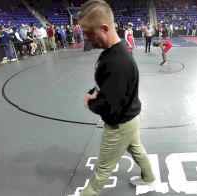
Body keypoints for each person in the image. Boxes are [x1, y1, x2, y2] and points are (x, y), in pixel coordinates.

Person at [78, 1, 156, 195]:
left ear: (104, 28)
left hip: (119, 124)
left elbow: (110, 109)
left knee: (102, 169)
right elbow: (106, 85)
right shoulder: (110, 52)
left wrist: (91, 103)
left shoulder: (117, 62)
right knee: (136, 149)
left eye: (88, 33)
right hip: (131, 117)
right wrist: (94, 92)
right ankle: (149, 177)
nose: (86, 38)